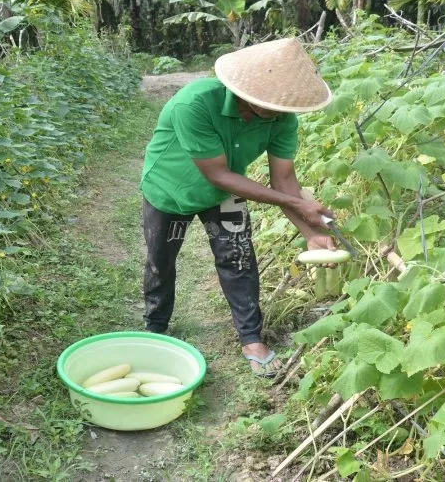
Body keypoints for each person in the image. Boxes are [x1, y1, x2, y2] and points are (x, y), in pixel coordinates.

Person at [139, 38, 336, 377]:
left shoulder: (282, 120)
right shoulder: (196, 103)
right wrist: (294, 203)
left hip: (225, 192)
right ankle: (156, 328)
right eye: (273, 103)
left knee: (239, 259)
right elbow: (217, 174)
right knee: (161, 260)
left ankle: (251, 339)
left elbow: (285, 180)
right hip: (171, 190)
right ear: (248, 91)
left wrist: (310, 232)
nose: (281, 111)